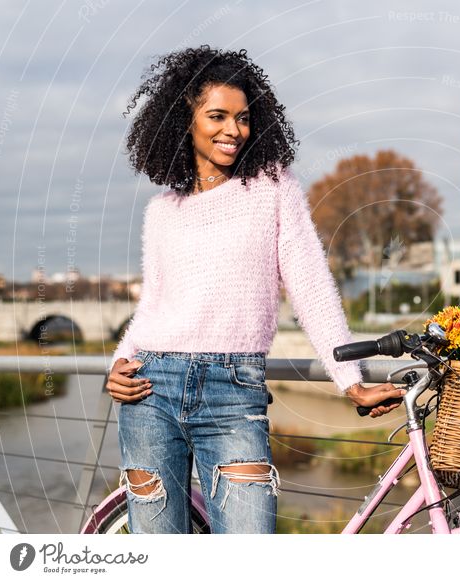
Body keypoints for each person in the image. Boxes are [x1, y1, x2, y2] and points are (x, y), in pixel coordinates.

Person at [105, 45, 405, 534]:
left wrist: (349, 379)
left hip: (234, 390)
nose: (232, 131)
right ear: (185, 120)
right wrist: (118, 362)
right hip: (148, 389)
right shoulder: (162, 210)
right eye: (217, 116)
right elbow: (154, 304)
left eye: (242, 118)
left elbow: (310, 285)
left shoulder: (272, 187)